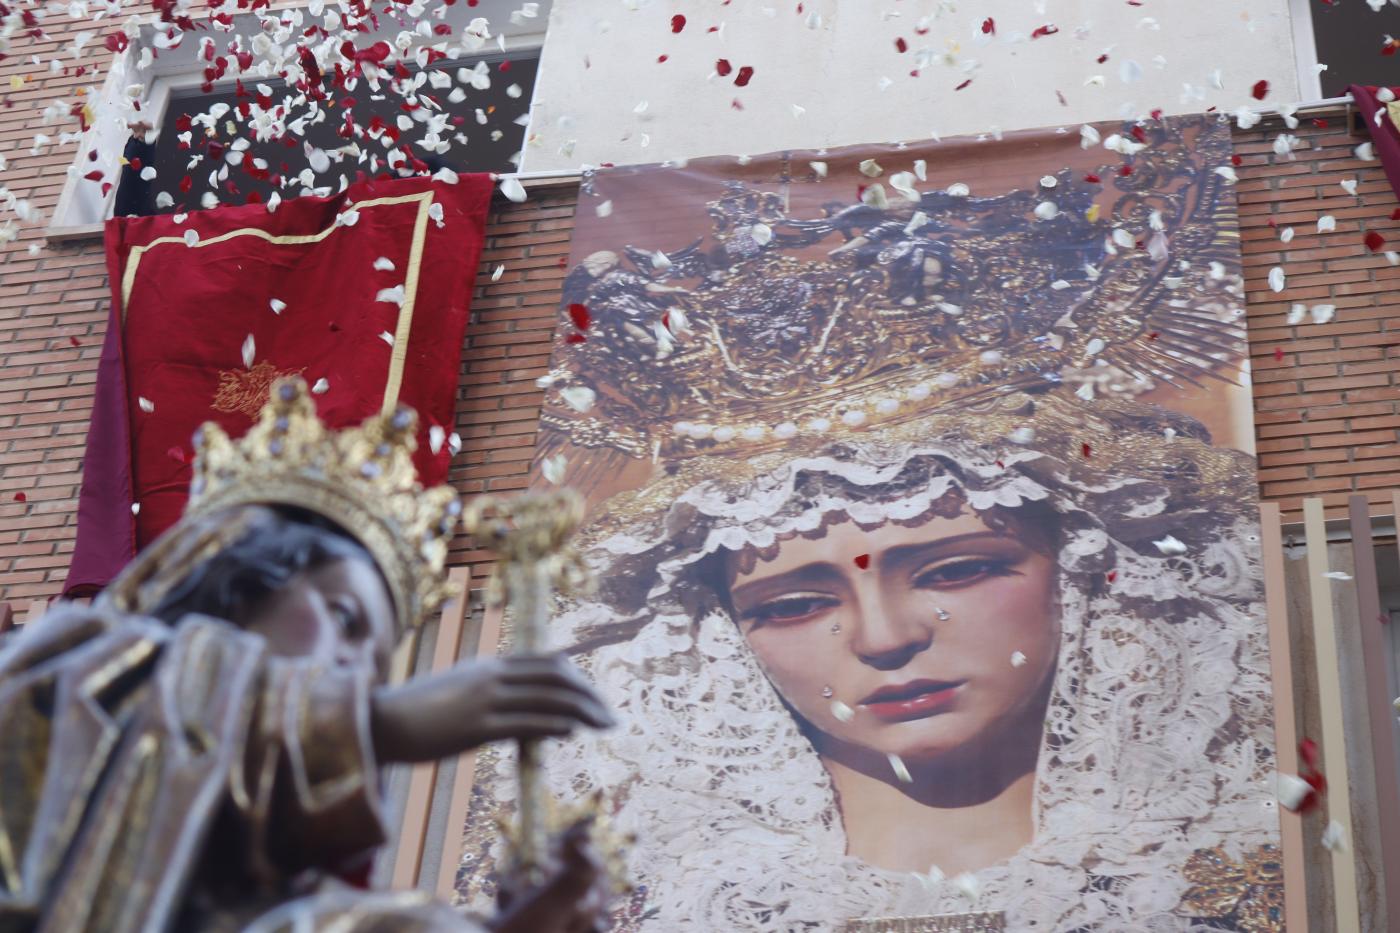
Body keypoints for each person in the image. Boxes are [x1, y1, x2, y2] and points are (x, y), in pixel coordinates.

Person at [462, 390, 1282, 931]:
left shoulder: (1232, 846)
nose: (885, 639)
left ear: (1081, 575)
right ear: (716, 635)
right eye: (793, 605)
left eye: (956, 569)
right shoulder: (657, 892)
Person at [0, 378, 617, 933]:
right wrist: (373, 722)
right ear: (233, 587)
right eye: (344, 620)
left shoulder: (298, 899)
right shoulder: (69, 663)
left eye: (378, 670)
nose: (355, 672)